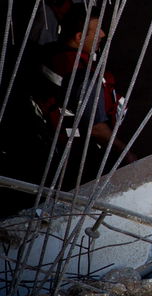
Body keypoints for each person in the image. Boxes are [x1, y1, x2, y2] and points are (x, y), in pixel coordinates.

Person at [37, 10, 133, 180]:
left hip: (54, 144)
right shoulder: (81, 76)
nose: (103, 34)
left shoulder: (51, 53)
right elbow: (96, 128)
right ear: (79, 37)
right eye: (97, 31)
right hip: (80, 155)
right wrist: (125, 153)